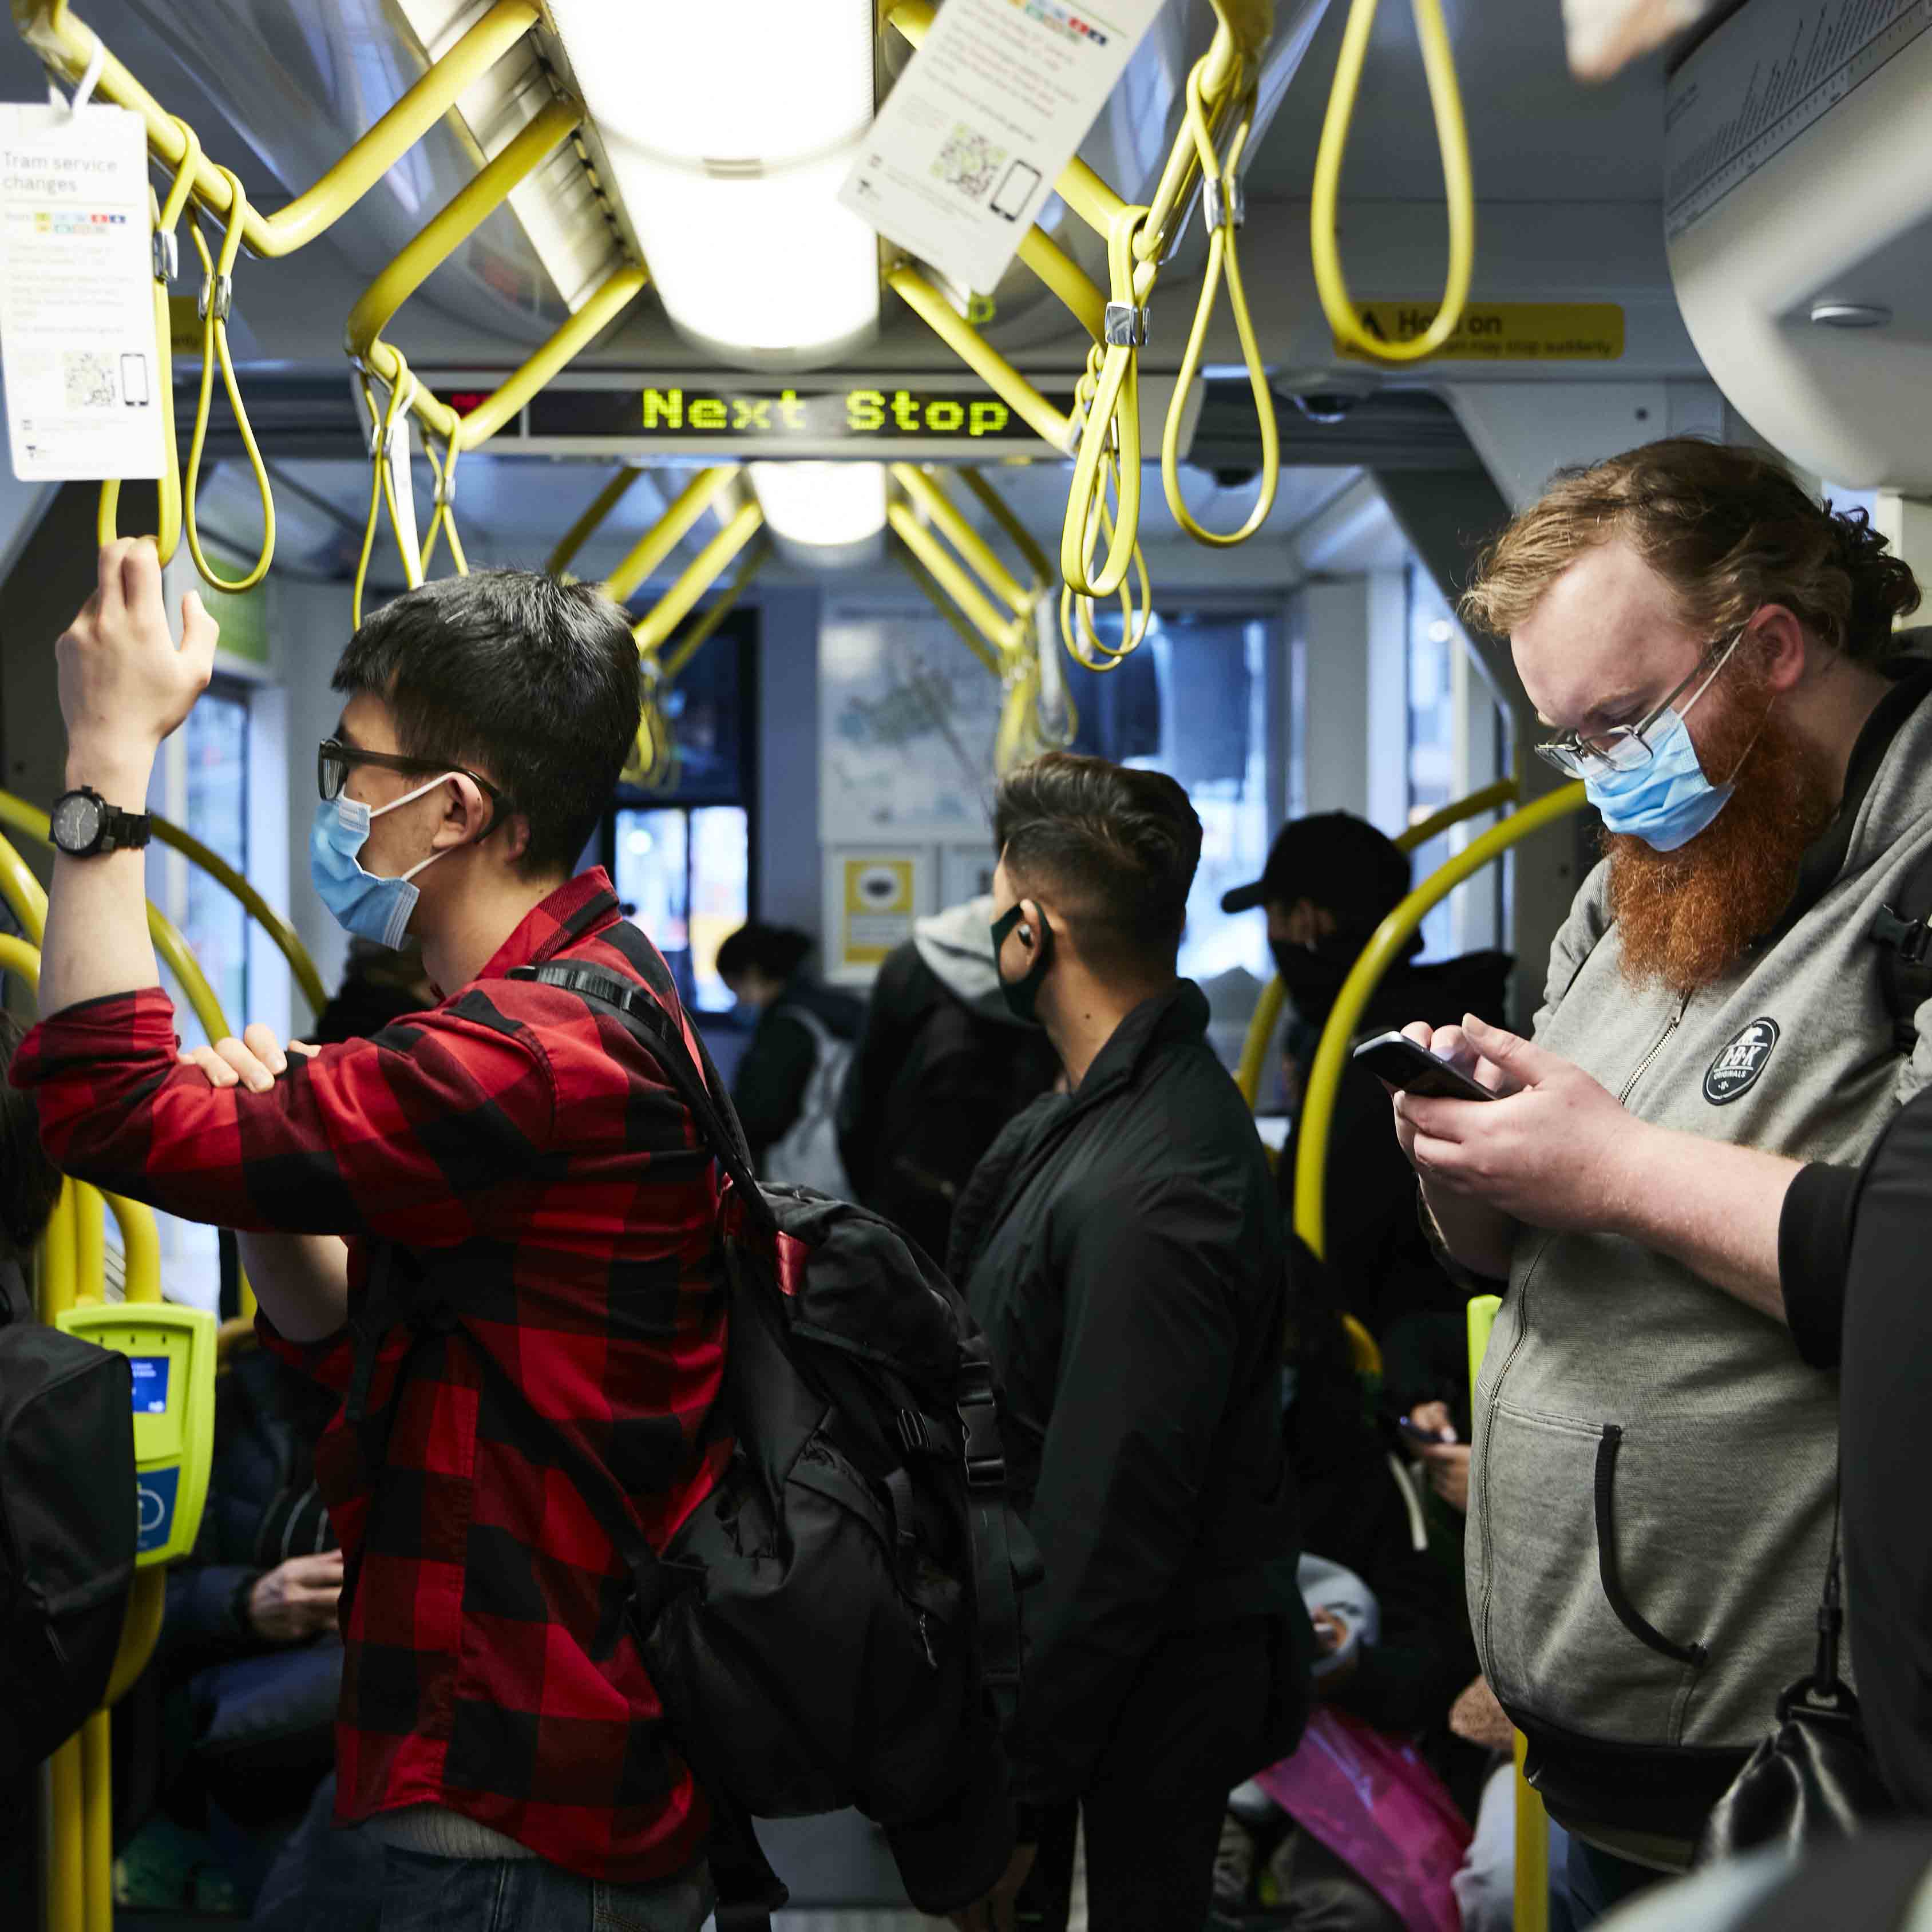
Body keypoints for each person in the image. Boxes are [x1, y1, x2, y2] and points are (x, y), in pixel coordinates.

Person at [15, 551, 745, 1930]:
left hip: (504, 1810)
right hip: (503, 1759)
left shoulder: (530, 1055)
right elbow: (366, 1333)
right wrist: (277, 1178)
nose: (335, 798)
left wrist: (106, 757)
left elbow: (96, 1100)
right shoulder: (601, 994)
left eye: (350, 766)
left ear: (453, 808)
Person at [1377, 440, 1926, 1915]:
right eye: (1575, 741)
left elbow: (1903, 1261)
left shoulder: (1912, 869)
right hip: (1595, 1729)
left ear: (1770, 643)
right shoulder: (1647, 872)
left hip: (1799, 1765)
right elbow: (1519, 1260)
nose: (1611, 777)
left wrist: (1613, 1166)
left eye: (1624, 719)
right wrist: (1475, 1156)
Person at [945, 751, 1309, 1932]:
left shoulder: (1151, 1185)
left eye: (991, 899)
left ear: (1032, 930)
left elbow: (1108, 1526)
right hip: (1094, 1697)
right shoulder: (1094, 1114)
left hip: (1126, 1722)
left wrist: (1021, 1789)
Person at [1222, 813, 1511, 1337]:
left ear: (1307, 921)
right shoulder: (1448, 1016)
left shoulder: (1367, 1050)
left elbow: (1343, 1239)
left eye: (1275, 916)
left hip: (1379, 1350)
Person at [835, 894, 1062, 1264]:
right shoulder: (1059, 963)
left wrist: (875, 1199)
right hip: (1023, 1202)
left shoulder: (914, 960)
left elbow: (860, 1104)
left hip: (911, 1192)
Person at [714, 920, 862, 1188]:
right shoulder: (833, 1010)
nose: (740, 1001)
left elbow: (762, 1115)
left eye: (736, 989)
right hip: (848, 1169)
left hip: (802, 1175)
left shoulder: (787, 1027)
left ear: (753, 973)